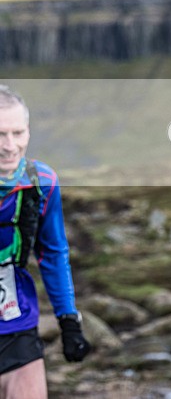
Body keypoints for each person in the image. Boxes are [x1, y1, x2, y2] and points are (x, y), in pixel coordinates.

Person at [0, 85, 91, 399]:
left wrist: (68, 320)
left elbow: (53, 253)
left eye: (18, 133)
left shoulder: (42, 182)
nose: (10, 146)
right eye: (0, 134)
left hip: (15, 318)